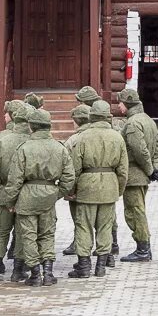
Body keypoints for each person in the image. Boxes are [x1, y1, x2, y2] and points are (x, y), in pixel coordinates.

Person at [5, 107, 75, 287]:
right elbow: (69, 177)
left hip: (27, 196)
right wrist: (57, 193)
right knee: (47, 234)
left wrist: (10, 201)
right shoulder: (59, 148)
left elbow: (15, 179)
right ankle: (48, 272)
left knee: (28, 235)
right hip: (49, 195)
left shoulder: (24, 148)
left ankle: (35, 273)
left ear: (31, 126)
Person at [67, 100, 129, 279]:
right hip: (109, 185)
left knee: (84, 226)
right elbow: (123, 170)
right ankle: (101, 266)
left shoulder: (82, 137)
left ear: (91, 116)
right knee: (105, 226)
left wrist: (72, 189)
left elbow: (75, 168)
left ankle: (84, 266)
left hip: (87, 186)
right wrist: (118, 189)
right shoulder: (117, 137)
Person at [0, 100, 31, 282]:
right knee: (22, 233)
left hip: (2, 194)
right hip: (26, 196)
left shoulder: (1, 140)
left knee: (0, 232)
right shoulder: (34, 141)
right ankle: (18, 271)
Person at [118, 88, 158, 263]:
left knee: (134, 212)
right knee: (138, 210)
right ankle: (144, 248)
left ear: (127, 103)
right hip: (143, 174)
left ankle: (143, 249)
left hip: (134, 175)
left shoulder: (132, 124)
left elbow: (140, 150)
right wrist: (154, 168)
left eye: (120, 103)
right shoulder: (148, 120)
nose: (119, 106)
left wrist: (150, 169)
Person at [61, 104, 93, 257]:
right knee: (103, 221)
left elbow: (70, 169)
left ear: (76, 121)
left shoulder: (73, 140)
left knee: (80, 221)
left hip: (80, 187)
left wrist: (69, 190)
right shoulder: (107, 135)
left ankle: (81, 251)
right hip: (105, 186)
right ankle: (106, 255)